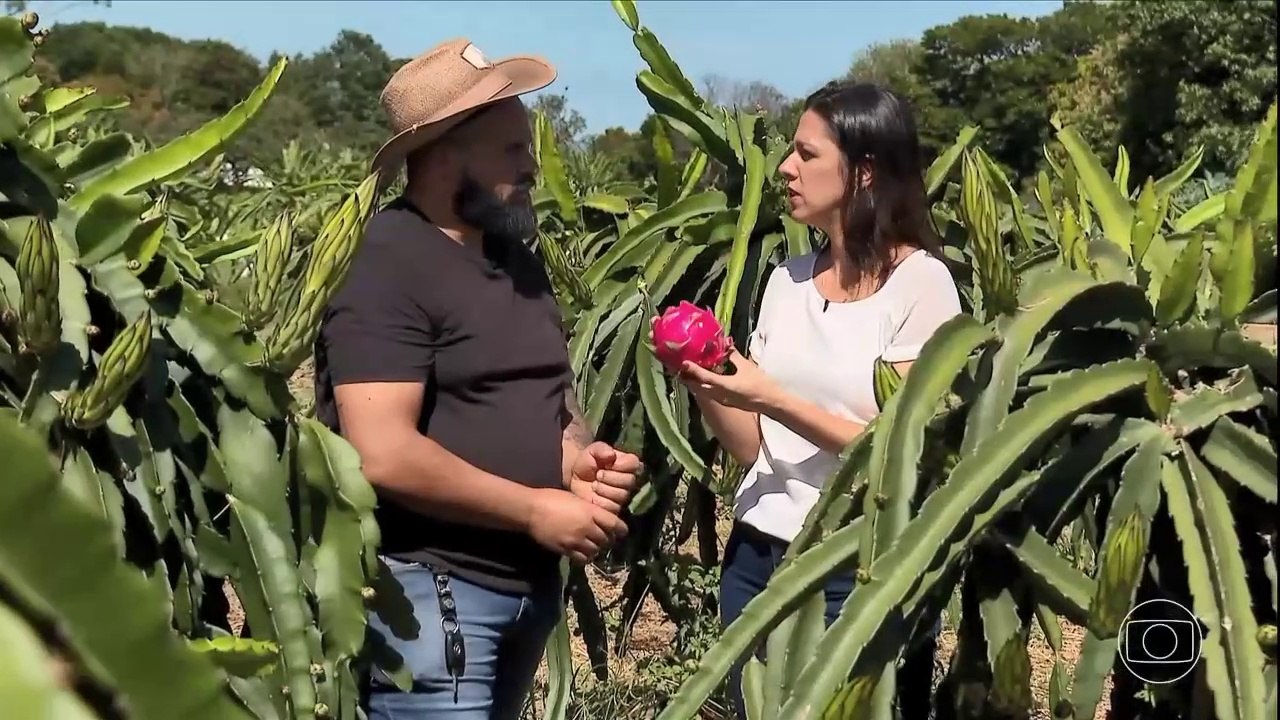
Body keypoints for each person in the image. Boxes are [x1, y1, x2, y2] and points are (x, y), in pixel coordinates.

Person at [313, 38, 644, 720]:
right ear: (444, 154)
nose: (532, 168)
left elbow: (546, 394)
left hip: (523, 587)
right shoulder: (384, 264)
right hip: (431, 595)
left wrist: (576, 460)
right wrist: (533, 508)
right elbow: (381, 451)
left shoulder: (515, 258)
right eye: (512, 151)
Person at [668, 81, 961, 717]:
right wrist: (709, 386)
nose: (785, 169)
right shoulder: (786, 282)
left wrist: (770, 396)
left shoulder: (922, 285)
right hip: (758, 554)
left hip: (857, 562)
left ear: (864, 172)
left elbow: (897, 450)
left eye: (806, 154)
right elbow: (756, 450)